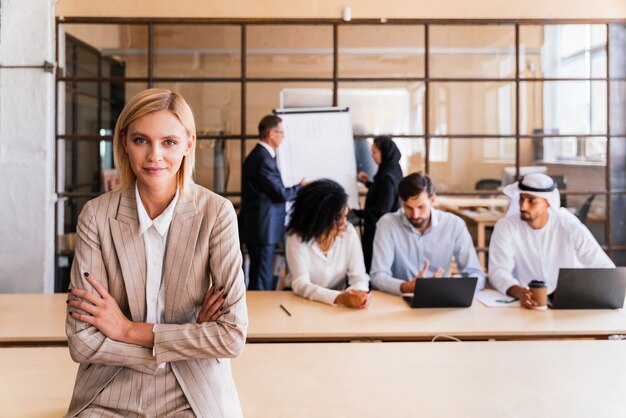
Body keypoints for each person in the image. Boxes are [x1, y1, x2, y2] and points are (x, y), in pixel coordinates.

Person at [65, 88, 247, 417]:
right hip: (109, 384)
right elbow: (82, 342)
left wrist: (126, 330)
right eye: (141, 140)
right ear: (123, 141)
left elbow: (231, 336)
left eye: (169, 142)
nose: (155, 156)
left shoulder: (216, 214)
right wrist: (191, 338)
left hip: (191, 386)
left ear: (189, 143)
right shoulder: (96, 216)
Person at [489, 173, 615, 309]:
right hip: (529, 304)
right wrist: (520, 292)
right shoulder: (506, 227)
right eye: (521, 199)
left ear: (548, 203)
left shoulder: (569, 226)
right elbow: (499, 271)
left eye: (531, 200)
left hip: (572, 303)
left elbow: (604, 268)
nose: (523, 206)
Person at [370, 172, 485, 295]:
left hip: (442, 297)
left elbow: (476, 274)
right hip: (399, 299)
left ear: (433, 200)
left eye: (421, 207)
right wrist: (407, 287)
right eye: (408, 208)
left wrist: (459, 284)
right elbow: (378, 276)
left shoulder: (454, 225)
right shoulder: (387, 224)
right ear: (401, 202)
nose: (415, 215)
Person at [239, 115, 304, 290]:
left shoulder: (262, 156)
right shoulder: (262, 158)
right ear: (270, 133)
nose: (283, 136)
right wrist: (301, 187)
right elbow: (280, 193)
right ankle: (259, 316)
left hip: (263, 227)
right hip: (262, 228)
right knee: (261, 278)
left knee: (262, 275)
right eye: (281, 132)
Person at [285, 179, 371, 308]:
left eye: (345, 215)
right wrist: (340, 298)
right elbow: (301, 284)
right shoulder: (296, 237)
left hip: (337, 307)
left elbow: (359, 277)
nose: (344, 223)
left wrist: (358, 293)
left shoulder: (348, 232)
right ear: (319, 218)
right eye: (337, 218)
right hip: (300, 304)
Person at [353, 136, 403, 272]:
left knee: (373, 267)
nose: (372, 155)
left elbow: (381, 211)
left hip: (378, 232)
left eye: (375, 152)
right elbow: (383, 194)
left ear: (384, 152)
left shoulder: (387, 177)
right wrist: (368, 183)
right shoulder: (391, 169)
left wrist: (356, 213)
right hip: (383, 230)